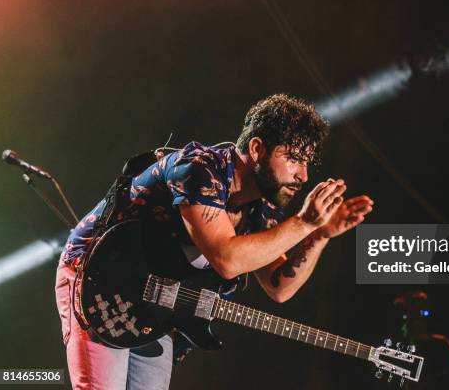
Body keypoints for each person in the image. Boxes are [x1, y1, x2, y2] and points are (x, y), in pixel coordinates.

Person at [54, 93, 374, 389]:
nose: (303, 175)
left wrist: (318, 235)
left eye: (307, 162)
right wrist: (304, 222)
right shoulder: (200, 168)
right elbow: (226, 259)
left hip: (157, 303)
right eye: (292, 158)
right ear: (257, 149)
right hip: (100, 278)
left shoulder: (260, 207)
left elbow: (279, 287)